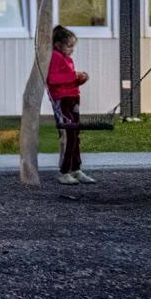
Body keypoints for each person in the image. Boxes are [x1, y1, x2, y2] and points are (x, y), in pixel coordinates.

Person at [47, 25, 93, 185]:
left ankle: (75, 168)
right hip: (62, 101)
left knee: (75, 135)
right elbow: (52, 79)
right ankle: (64, 171)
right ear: (58, 45)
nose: (72, 49)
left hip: (73, 98)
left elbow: (67, 80)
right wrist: (73, 76)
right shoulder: (55, 56)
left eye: (73, 46)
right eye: (69, 46)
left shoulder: (68, 59)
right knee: (68, 135)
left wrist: (80, 79)